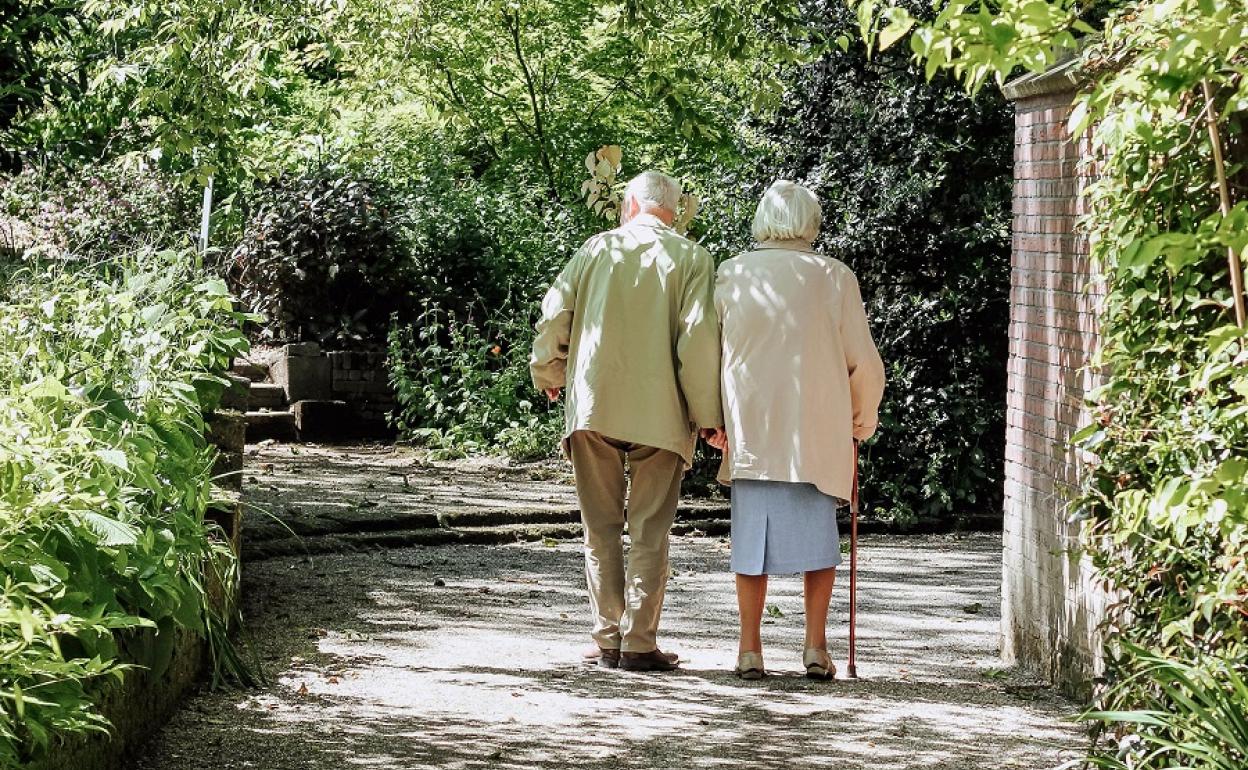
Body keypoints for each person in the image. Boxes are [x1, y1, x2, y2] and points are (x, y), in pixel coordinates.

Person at [530, 170, 725, 672]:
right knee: (650, 529)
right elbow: (698, 341)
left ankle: (606, 638)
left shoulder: (595, 249)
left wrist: (549, 370)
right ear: (675, 211)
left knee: (600, 527)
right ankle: (639, 642)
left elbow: (555, 316)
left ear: (630, 205)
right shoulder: (693, 258)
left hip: (595, 405)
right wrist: (709, 417)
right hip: (661, 413)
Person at [708, 180, 885, 680]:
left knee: (750, 543)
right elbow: (863, 363)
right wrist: (861, 418)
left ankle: (749, 648)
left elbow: (709, 355)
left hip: (753, 428)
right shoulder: (834, 277)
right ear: (812, 223)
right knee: (819, 542)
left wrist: (712, 420)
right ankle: (814, 645)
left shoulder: (732, 274)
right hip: (816, 429)